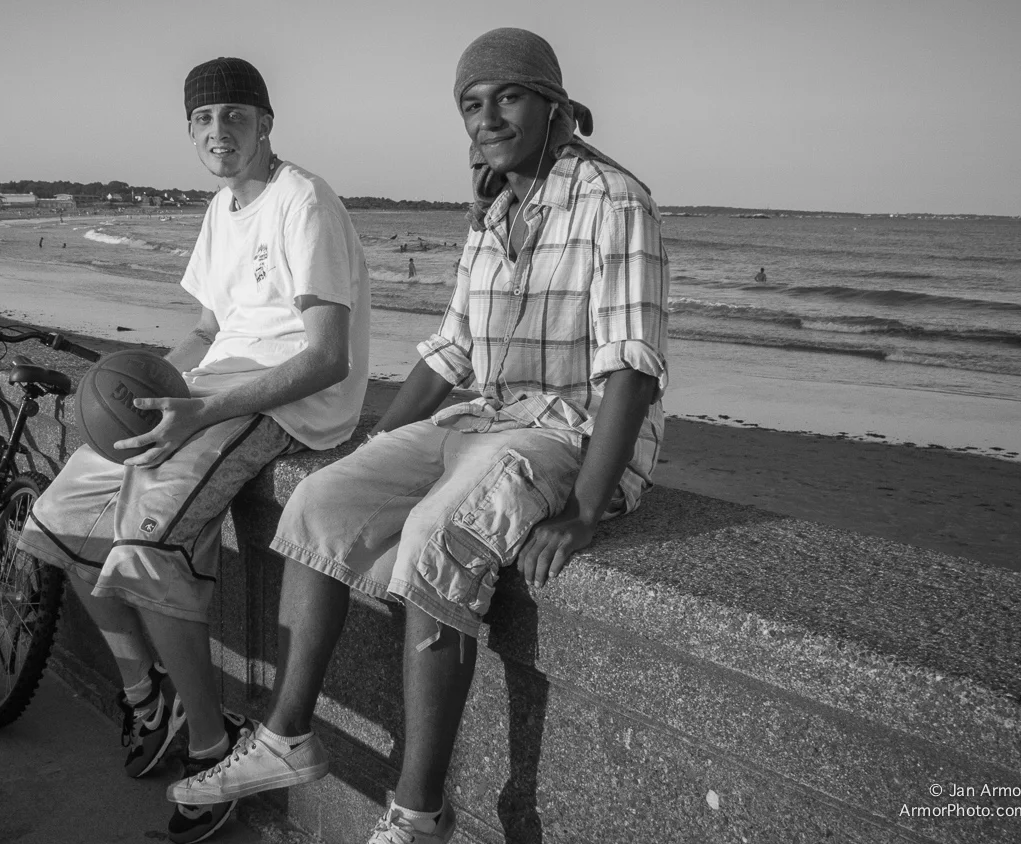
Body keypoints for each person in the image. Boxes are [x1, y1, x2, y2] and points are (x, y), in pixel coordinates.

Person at [166, 28, 669, 844]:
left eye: (508, 98)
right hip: (481, 417)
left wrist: (583, 508)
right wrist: (375, 443)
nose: (487, 119)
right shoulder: (494, 206)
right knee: (319, 499)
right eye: (472, 104)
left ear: (556, 107)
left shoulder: (614, 200)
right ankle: (285, 737)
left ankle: (417, 815)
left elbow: (632, 367)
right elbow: (451, 351)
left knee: (436, 538)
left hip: (564, 430)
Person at [14, 56, 370, 844]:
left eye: (234, 115)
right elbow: (209, 329)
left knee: (144, 546)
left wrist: (199, 409)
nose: (218, 131)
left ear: (266, 122)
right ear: (189, 131)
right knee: (55, 520)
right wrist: (140, 390)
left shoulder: (302, 200)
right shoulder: (222, 208)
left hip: (284, 401)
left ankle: (212, 749)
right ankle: (149, 697)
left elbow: (326, 357)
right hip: (210, 386)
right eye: (203, 119)